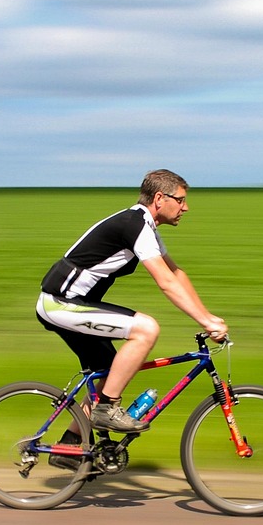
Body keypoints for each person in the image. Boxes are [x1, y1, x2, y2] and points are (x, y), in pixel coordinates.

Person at [37, 169, 228, 436]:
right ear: (160, 198)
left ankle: (71, 446)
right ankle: (107, 409)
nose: (186, 207)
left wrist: (209, 316)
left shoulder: (145, 226)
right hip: (60, 304)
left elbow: (176, 274)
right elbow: (165, 282)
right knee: (146, 329)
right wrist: (204, 321)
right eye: (181, 200)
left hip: (72, 304)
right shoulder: (135, 225)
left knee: (109, 376)